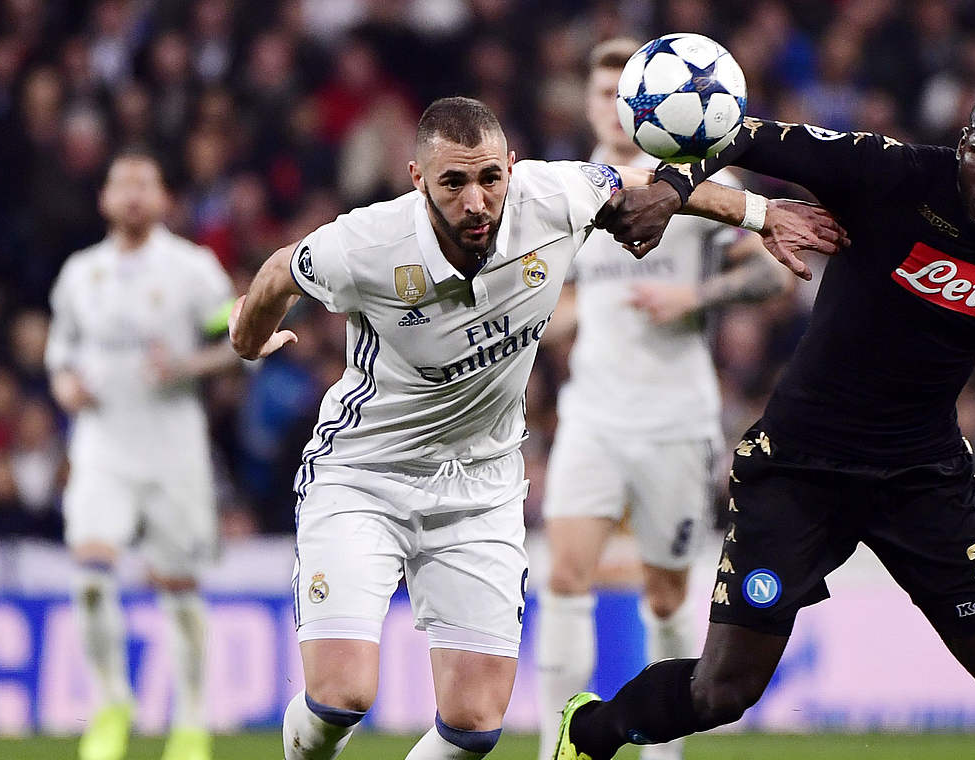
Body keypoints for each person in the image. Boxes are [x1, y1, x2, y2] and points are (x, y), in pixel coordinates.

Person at [551, 83, 975, 760]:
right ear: (961, 146)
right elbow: (741, 132)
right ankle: (589, 731)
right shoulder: (888, 172)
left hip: (923, 477)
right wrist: (670, 189)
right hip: (798, 466)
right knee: (722, 691)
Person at [227, 96, 842, 760]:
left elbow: (651, 188)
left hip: (481, 488)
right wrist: (247, 337)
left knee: (473, 725)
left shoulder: (555, 195)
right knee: (340, 697)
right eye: (453, 183)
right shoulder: (367, 244)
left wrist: (762, 213)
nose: (476, 201)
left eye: (490, 178)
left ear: (512, 169)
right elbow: (279, 271)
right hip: (364, 477)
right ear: (416, 179)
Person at [534, 39, 792, 760]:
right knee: (564, 574)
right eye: (600, 95)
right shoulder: (560, 188)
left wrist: (697, 294)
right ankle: (559, 743)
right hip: (591, 415)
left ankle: (662, 749)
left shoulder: (700, 179)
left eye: (625, 95)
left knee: (669, 597)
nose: (612, 111)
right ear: (587, 104)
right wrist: (569, 315)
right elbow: (535, 304)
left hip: (676, 420)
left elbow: (774, 275)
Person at [45, 151, 239, 760]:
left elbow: (236, 335)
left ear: (162, 199)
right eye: (121, 184)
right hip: (102, 446)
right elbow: (59, 356)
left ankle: (190, 718)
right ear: (104, 199)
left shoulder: (192, 268)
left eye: (144, 183)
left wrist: (189, 363)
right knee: (91, 577)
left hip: (173, 449)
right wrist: (65, 387)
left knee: (178, 587)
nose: (132, 194)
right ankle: (111, 702)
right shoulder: (80, 273)